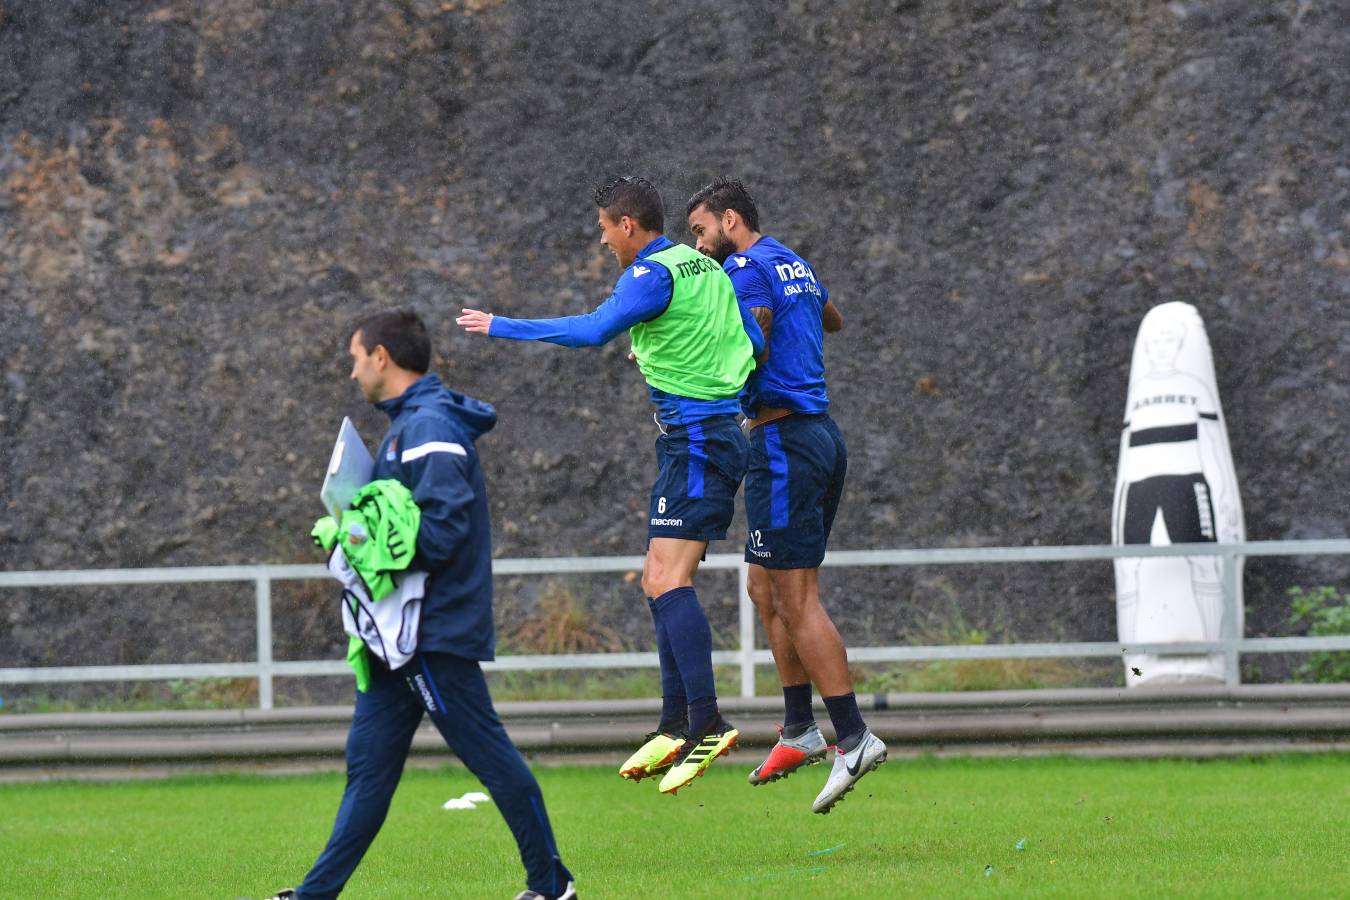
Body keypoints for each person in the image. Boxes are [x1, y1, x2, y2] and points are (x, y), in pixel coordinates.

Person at [457, 176, 761, 796]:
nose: (601, 242)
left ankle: (707, 720)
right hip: (700, 435)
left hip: (699, 437)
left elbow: (592, 330)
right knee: (656, 577)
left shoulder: (652, 274)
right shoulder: (703, 268)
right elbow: (751, 340)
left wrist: (501, 325)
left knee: (670, 580)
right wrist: (678, 351)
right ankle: (675, 722)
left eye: (603, 229)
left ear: (628, 225)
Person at [270, 308, 576, 900]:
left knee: (491, 758)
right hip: (397, 635)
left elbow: (438, 534)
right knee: (368, 769)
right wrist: (356, 532)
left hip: (432, 630)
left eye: (356, 358)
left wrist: (358, 539)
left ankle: (551, 885)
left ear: (381, 356)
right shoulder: (408, 424)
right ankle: (314, 895)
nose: (353, 372)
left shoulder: (430, 425)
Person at [685, 178, 887, 814]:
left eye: (700, 231)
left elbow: (748, 347)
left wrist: (687, 356)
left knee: (797, 598)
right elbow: (832, 317)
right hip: (818, 436)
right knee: (762, 587)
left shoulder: (743, 267)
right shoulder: (790, 261)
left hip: (782, 441)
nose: (698, 243)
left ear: (730, 220)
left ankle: (852, 738)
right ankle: (799, 728)